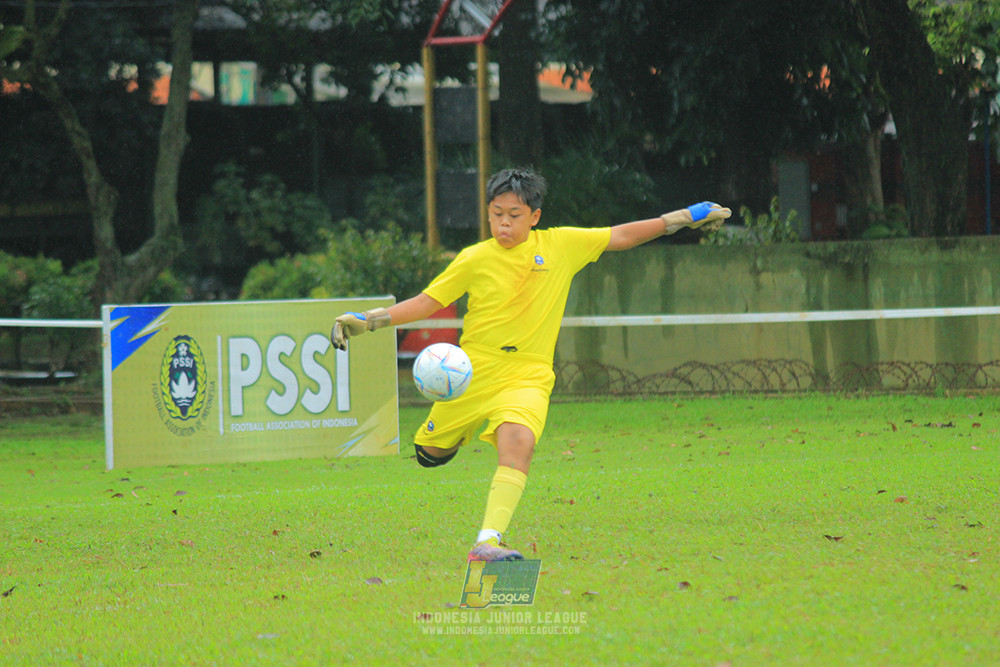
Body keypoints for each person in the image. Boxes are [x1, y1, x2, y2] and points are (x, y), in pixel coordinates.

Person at [331, 168, 730, 562]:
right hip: (471, 373)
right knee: (429, 452)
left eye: (514, 215)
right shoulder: (474, 258)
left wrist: (684, 218)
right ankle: (447, 443)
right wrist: (368, 321)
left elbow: (623, 235)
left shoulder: (561, 245)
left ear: (535, 216)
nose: (503, 223)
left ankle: (489, 541)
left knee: (519, 443)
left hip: (529, 374)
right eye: (496, 213)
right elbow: (427, 303)